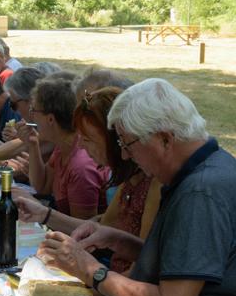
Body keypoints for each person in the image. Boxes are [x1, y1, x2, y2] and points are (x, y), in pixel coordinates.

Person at [38, 78, 236, 296]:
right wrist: (118, 240)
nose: (124, 155)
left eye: (127, 144)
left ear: (165, 139)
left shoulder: (200, 193)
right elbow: (184, 263)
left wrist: (91, 269)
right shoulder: (210, 166)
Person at [16, 86, 161, 277]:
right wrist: (43, 214)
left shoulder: (152, 182)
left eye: (87, 138)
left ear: (114, 139)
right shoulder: (129, 179)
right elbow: (101, 228)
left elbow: (143, 269)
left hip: (117, 288)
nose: (81, 144)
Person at [16, 77, 109, 219]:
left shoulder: (80, 166)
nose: (31, 117)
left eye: (33, 110)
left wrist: (38, 209)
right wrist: (33, 145)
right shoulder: (64, 145)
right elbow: (42, 186)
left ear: (51, 119)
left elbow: (82, 229)